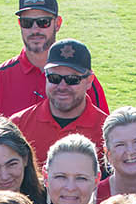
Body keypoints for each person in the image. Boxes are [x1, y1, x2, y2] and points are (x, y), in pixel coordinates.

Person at [0, 0, 108, 123]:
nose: (35, 29)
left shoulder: (81, 78)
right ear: (20, 24)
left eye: (43, 22)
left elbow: (104, 133)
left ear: (58, 23)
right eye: (27, 23)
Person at [11, 38, 109, 166]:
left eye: (72, 79)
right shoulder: (18, 125)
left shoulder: (106, 131)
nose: (62, 87)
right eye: (54, 78)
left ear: (89, 80)